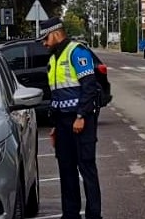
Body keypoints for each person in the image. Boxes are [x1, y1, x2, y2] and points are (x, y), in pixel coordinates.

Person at [37, 17, 103, 219]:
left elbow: (89, 87)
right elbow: (57, 94)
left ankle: (94, 215)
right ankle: (70, 214)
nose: (44, 43)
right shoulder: (54, 58)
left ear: (56, 33)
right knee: (66, 171)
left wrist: (81, 115)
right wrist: (56, 126)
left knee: (87, 168)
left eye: (45, 38)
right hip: (63, 122)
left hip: (81, 121)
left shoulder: (77, 52)